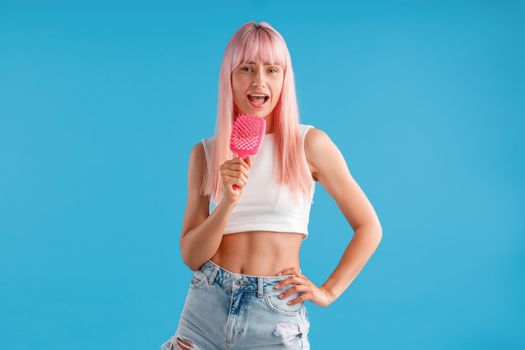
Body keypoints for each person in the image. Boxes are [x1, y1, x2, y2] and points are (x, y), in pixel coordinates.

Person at [161, 21, 382, 350]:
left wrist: (329, 291)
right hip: (205, 306)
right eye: (246, 68)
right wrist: (227, 204)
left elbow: (369, 227)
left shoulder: (310, 144)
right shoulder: (205, 154)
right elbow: (192, 256)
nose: (259, 81)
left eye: (272, 70)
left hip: (274, 312)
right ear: (230, 77)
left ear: (284, 78)